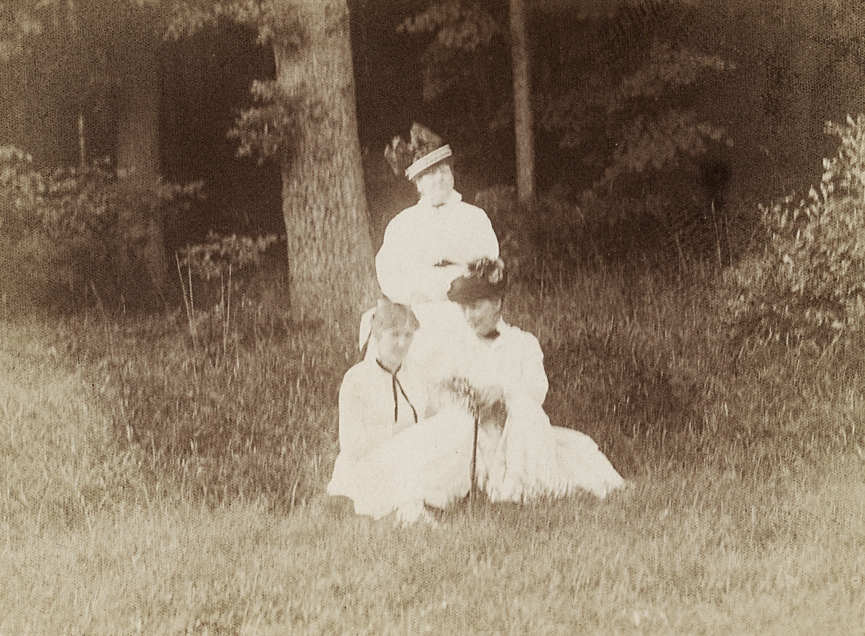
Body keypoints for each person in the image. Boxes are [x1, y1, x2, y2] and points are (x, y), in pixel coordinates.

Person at [437, 258, 627, 502]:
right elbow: (446, 389)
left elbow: (537, 390)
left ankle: (520, 487)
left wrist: (503, 393)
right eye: (463, 309)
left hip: (518, 430)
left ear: (496, 303)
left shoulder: (522, 343)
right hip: (480, 431)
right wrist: (469, 400)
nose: (469, 316)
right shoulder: (459, 347)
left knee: (541, 423)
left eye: (475, 307)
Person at [361, 123, 499, 365]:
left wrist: (465, 291)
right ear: (418, 183)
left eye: (444, 171)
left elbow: (488, 263)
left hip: (462, 304)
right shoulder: (402, 223)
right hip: (417, 304)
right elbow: (388, 271)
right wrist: (411, 296)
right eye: (430, 175)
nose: (439, 180)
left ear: (452, 175)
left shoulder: (474, 217)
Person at [328, 299, 476, 525]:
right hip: (369, 464)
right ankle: (408, 504)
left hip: (411, 459)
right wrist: (398, 437)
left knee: (460, 419)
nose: (402, 343)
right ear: (377, 335)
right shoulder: (356, 379)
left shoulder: (417, 375)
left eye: (408, 336)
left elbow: (431, 417)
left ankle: (417, 501)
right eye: (395, 334)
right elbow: (351, 446)